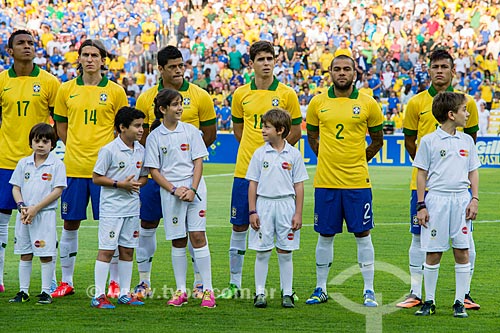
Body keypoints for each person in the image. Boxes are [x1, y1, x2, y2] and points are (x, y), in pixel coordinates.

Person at [218, 40, 302, 299]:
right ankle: (234, 284)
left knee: (280, 232)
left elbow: (296, 130)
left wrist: (275, 155)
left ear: (275, 61)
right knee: (240, 226)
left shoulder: (287, 94)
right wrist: (255, 153)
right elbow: (238, 130)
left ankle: (285, 290)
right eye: (261, 59)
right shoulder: (241, 94)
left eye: (270, 59)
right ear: (251, 63)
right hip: (245, 170)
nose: (266, 63)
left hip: (276, 175)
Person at [134, 45, 216, 300]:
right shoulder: (146, 98)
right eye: (173, 66)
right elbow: (143, 137)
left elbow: (208, 136)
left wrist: (189, 183)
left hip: (189, 181)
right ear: (160, 69)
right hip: (158, 177)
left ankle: (202, 285)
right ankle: (144, 281)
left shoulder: (200, 96)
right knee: (149, 224)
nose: (179, 70)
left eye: (182, 65)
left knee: (196, 233)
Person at [400, 50, 480, 310]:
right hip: (427, 189)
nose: (439, 71)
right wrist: (430, 166)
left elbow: (471, 145)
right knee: (420, 240)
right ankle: (416, 292)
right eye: (435, 66)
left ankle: (464, 295)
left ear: (452, 70)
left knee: (465, 243)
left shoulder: (466, 104)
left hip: (458, 191)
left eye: (444, 66)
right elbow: (410, 140)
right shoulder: (416, 103)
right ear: (429, 69)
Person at [305, 55, 384, 307]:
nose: (342, 73)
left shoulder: (368, 103)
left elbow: (378, 140)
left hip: (357, 182)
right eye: (337, 69)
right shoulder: (318, 102)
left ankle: (368, 289)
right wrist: (326, 158)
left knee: (362, 233)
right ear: (330, 72)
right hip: (326, 181)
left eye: (346, 69)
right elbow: (312, 136)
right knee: (325, 235)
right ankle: (320, 287)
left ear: (354, 72)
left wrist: (359, 160)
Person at [52, 39, 128, 298]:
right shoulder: (66, 89)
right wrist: (75, 146)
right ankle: (67, 280)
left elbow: (122, 128)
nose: (90, 59)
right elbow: (61, 127)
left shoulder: (116, 91)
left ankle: (115, 282)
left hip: (105, 173)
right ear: (80, 58)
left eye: (95, 55)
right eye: (85, 54)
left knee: (111, 226)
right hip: (73, 168)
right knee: (69, 223)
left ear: (103, 60)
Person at [0, 30, 60, 293]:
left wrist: (51, 153)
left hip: (39, 165)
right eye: (21, 43)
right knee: (2, 222)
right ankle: (1, 279)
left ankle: (51, 282)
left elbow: (59, 122)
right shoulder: (2, 81)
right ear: (9, 51)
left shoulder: (49, 82)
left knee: (44, 221)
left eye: (31, 43)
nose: (27, 46)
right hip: (6, 160)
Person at [144, 88, 215, 308]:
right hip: (171, 192)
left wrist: (192, 189)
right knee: (178, 239)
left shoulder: (191, 131)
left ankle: (207, 290)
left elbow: (198, 162)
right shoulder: (154, 136)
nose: (180, 108)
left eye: (181, 103)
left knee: (198, 236)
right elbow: (154, 171)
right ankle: (181, 290)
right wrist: (175, 190)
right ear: (163, 109)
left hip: (195, 191)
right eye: (174, 104)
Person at [413, 92, 480, 318]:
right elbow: (421, 174)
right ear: (451, 115)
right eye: (464, 110)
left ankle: (459, 302)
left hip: (461, 199)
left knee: (462, 250)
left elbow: (473, 171)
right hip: (437, 200)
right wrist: (421, 205)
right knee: (433, 252)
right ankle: (429, 300)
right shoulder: (429, 141)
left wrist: (474, 198)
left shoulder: (467, 141)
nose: (467, 114)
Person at [246, 108, 308, 308]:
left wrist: (298, 213)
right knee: (262, 251)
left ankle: (287, 293)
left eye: (267, 127)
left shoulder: (294, 154)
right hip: (263, 204)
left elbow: (298, 185)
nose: (262, 130)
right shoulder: (259, 153)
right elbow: (253, 183)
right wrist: (252, 210)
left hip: (286, 205)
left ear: (280, 130)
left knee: (285, 250)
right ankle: (260, 293)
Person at [91, 107, 148, 309]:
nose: (141, 130)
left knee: (127, 251)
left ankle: (124, 293)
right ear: (122, 127)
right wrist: (119, 184)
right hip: (112, 208)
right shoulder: (109, 150)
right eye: (137, 126)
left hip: (132, 208)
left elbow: (144, 176)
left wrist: (137, 184)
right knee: (106, 251)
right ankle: (99, 294)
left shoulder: (141, 149)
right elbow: (96, 177)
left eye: (142, 125)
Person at [8, 123, 66, 304]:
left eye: (45, 141)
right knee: (25, 253)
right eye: (37, 140)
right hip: (24, 215)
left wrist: (36, 208)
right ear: (31, 142)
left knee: (46, 253)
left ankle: (45, 291)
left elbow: (57, 191)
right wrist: (22, 206)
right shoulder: (23, 163)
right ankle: (23, 291)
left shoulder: (56, 164)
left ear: (52, 144)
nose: (40, 144)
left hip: (44, 214)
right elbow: (16, 187)